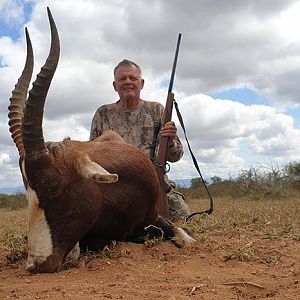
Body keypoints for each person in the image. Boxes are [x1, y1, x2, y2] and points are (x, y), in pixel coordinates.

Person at [90, 59, 190, 220]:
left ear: (141, 83)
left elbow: (176, 156)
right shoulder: (102, 114)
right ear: (115, 85)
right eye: (122, 79)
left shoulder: (156, 110)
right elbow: (93, 155)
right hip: (114, 185)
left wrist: (170, 140)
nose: (128, 82)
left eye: (133, 78)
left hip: (151, 182)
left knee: (181, 215)